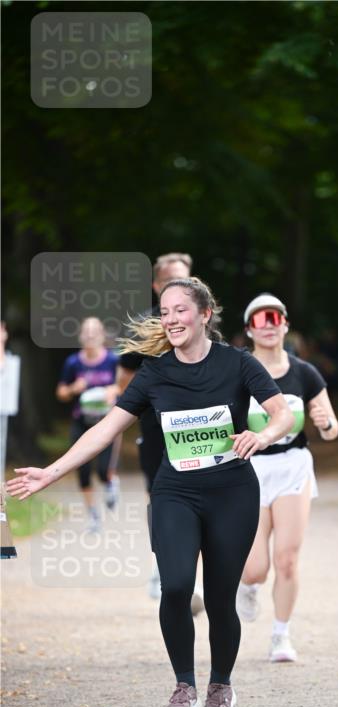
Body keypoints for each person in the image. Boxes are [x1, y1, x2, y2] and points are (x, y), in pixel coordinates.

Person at [9, 278, 293, 707]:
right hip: (175, 492)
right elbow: (105, 429)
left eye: (181, 310)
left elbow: (283, 413)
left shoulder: (237, 364)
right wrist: (52, 471)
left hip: (231, 494)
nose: (171, 319)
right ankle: (184, 685)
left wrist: (262, 435)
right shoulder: (155, 373)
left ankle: (221, 686)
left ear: (204, 315)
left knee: (221, 598)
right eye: (165, 312)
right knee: (176, 585)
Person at [236, 294, 338, 662]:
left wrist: (326, 424)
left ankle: (281, 635)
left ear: (284, 325)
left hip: (293, 467)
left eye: (274, 318)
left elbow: (330, 426)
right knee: (255, 568)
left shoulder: (304, 373)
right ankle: (247, 586)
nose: (268, 325)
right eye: (260, 320)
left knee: (287, 559)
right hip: (250, 469)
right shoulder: (239, 372)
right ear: (249, 328)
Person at [116, 252, 193, 599]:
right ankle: (162, 564)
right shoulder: (145, 326)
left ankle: (196, 572)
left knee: (202, 499)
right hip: (156, 430)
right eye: (171, 281)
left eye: (186, 281)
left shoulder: (204, 322)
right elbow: (123, 382)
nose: (179, 288)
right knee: (160, 499)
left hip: (197, 429)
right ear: (156, 285)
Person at [55, 316, 120, 533]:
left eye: (95, 331)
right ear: (81, 336)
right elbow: (61, 393)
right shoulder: (73, 362)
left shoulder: (112, 360)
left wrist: (113, 392)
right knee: (82, 470)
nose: (91, 335)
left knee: (102, 470)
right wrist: (74, 388)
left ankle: (110, 482)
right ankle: (93, 516)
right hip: (81, 421)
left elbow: (125, 386)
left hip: (107, 422)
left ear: (102, 335)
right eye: (87, 332)